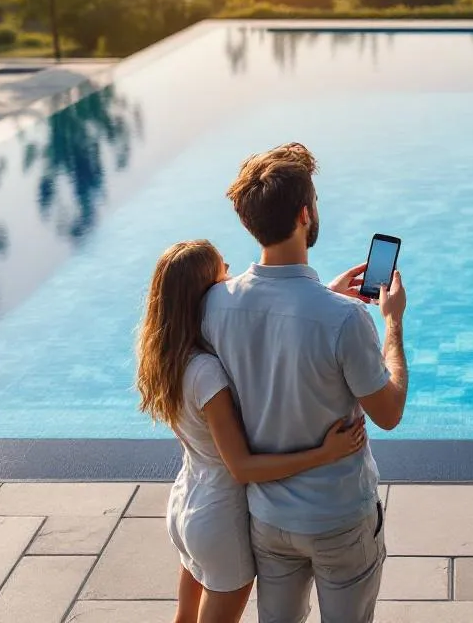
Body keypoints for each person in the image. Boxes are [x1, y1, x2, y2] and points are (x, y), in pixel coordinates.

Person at [204, 142, 409, 623]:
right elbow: (388, 413)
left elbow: (276, 334)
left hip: (269, 519)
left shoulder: (215, 305)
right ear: (304, 214)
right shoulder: (344, 319)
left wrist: (322, 295)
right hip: (339, 517)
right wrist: (393, 323)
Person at [136, 239, 370, 623]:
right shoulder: (207, 374)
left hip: (186, 502)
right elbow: (242, 467)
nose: (230, 272)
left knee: (184, 618)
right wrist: (324, 453)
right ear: (204, 293)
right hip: (219, 522)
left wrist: (326, 296)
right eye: (222, 271)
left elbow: (261, 333)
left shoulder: (172, 357)